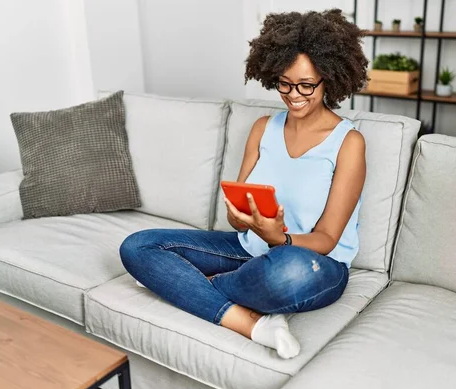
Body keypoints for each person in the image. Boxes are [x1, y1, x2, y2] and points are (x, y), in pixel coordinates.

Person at [119, 8, 369, 359]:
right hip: (248, 249)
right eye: (284, 82)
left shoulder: (348, 142)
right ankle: (252, 324)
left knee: (287, 272)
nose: (293, 94)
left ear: (330, 79)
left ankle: (184, 286)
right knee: (138, 246)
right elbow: (238, 215)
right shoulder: (263, 128)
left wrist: (278, 238)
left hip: (312, 263)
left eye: (306, 85)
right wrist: (242, 219)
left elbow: (328, 239)